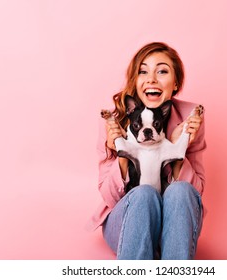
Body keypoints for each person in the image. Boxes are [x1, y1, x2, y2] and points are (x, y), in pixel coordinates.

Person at [88, 42, 206, 259]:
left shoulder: (190, 117)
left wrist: (176, 147)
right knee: (143, 195)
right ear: (136, 80)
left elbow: (194, 194)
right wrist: (122, 155)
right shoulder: (115, 120)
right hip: (127, 220)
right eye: (143, 71)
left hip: (175, 226)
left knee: (181, 191)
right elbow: (110, 197)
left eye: (161, 71)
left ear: (176, 81)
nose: (152, 78)